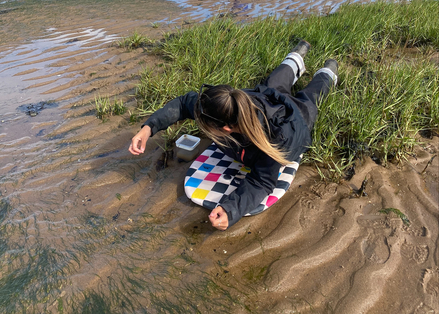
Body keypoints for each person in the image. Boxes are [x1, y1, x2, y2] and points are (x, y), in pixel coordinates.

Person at [129, 41, 338, 230]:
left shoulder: (274, 141)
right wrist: (148, 128)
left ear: (226, 129)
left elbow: (262, 182)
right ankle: (299, 53)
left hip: (297, 120)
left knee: (311, 96)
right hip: (265, 97)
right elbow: (184, 103)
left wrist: (231, 210)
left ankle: (328, 70)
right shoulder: (223, 107)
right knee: (276, 80)